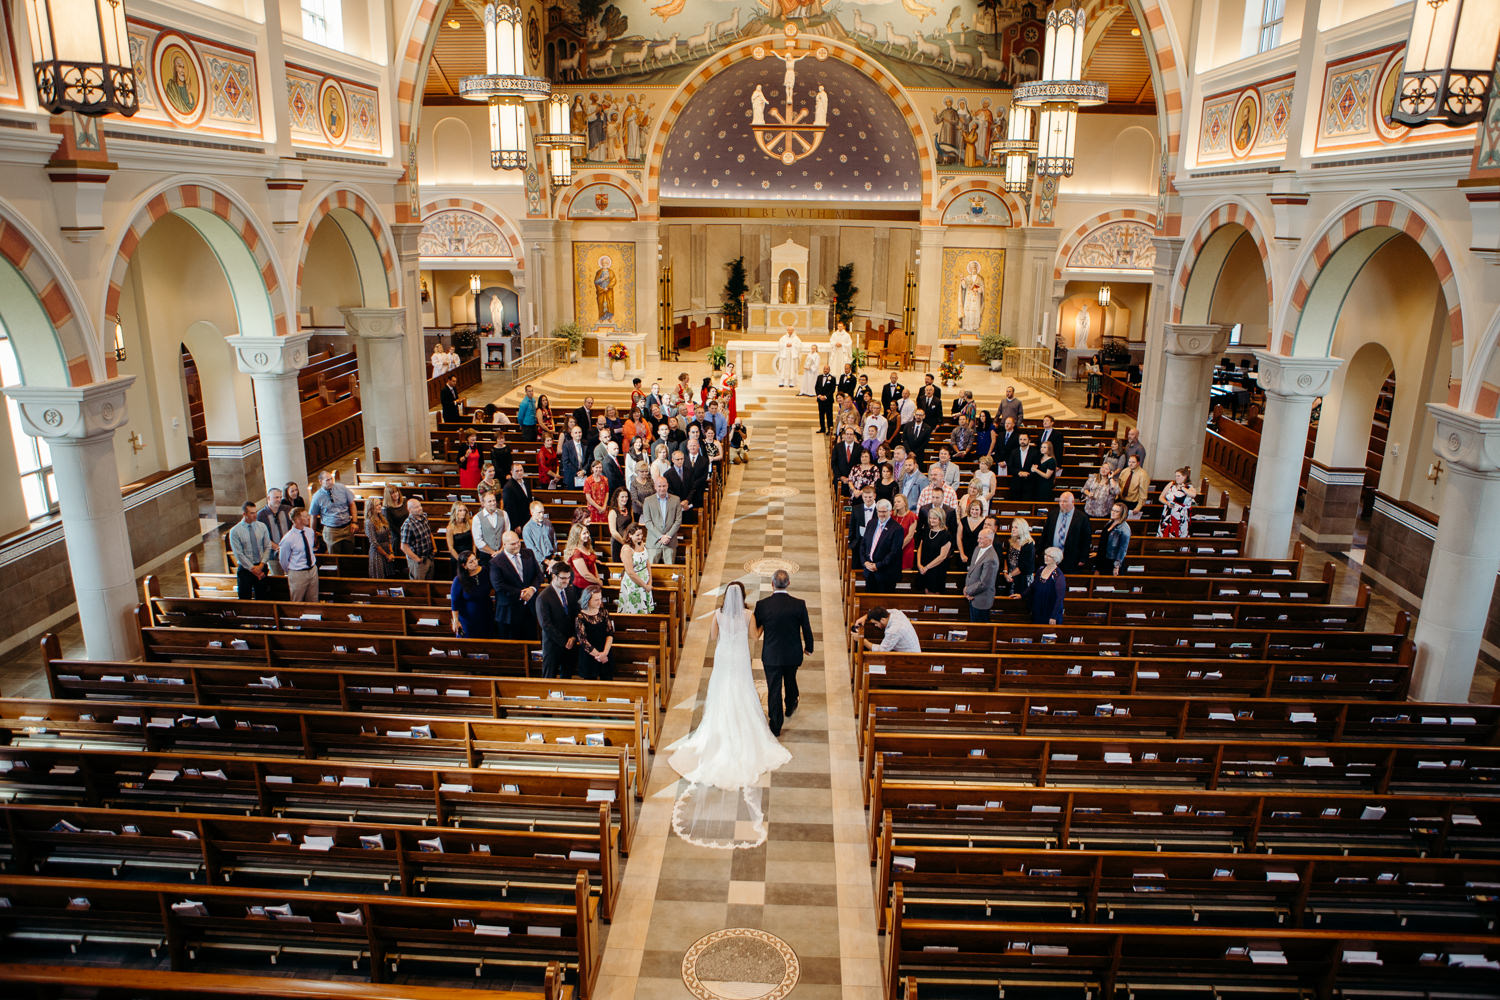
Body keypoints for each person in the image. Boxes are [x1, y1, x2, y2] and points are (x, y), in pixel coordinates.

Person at [666, 581, 791, 789]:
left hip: (724, 656)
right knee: (742, 687)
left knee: (721, 688)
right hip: (740, 657)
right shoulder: (748, 615)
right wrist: (762, 626)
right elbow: (755, 636)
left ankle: (720, 725)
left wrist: (726, 631)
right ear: (742, 596)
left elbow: (714, 637)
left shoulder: (718, 614)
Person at [753, 569, 815, 738]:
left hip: (771, 655)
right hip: (792, 653)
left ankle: (775, 725)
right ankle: (790, 703)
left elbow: (756, 629)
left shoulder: (763, 605)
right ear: (788, 583)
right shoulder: (799, 604)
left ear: (772, 584)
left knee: (774, 689)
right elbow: (806, 629)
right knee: (790, 679)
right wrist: (809, 647)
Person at [537, 562, 576, 678]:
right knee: (550, 677)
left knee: (567, 677)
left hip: (570, 642)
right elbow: (546, 624)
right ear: (554, 576)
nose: (566, 581)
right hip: (553, 644)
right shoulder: (543, 597)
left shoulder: (570, 591)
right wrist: (564, 641)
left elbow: (575, 614)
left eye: (568, 578)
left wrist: (573, 636)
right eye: (563, 578)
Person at [228, 501, 273, 600]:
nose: (255, 515)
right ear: (244, 514)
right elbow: (238, 554)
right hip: (246, 569)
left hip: (261, 566)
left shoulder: (262, 526)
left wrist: (261, 565)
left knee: (263, 597)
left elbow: (267, 546)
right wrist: (253, 569)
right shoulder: (235, 531)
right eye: (252, 513)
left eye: (255, 512)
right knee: (245, 598)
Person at [1042, 491, 1092, 573]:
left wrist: (1083, 558)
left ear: (1072, 502)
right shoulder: (1052, 514)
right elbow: (1045, 534)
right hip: (1052, 557)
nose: (1061, 504)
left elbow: (1086, 540)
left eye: (1065, 501)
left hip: (1071, 558)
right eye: (1060, 501)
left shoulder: (1082, 518)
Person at [308, 470, 356, 554]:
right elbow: (313, 516)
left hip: (347, 528)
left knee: (349, 555)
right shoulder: (317, 496)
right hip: (331, 531)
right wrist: (313, 534)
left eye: (331, 479)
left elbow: (352, 504)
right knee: (335, 557)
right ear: (320, 481)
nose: (330, 482)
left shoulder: (341, 488)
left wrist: (355, 522)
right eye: (327, 480)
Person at [861, 499, 904, 593]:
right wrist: (865, 562)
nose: (881, 514)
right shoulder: (871, 523)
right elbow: (863, 544)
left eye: (884, 511)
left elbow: (894, 553)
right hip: (870, 572)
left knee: (884, 605)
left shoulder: (897, 529)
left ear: (890, 512)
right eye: (879, 511)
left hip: (886, 574)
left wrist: (878, 565)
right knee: (870, 602)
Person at [574, 586, 615, 680]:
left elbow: (610, 633)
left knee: (608, 683)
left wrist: (605, 653)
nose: (600, 602)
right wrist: (599, 656)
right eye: (596, 600)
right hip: (589, 656)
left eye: (600, 599)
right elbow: (583, 640)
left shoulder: (604, 612)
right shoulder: (580, 617)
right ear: (588, 600)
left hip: (605, 651)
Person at [449, 552, 494, 638]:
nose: (475, 563)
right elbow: (455, 602)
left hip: (486, 614)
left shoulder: (485, 571)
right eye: (471, 562)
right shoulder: (459, 580)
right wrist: (456, 620)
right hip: (468, 618)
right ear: (464, 566)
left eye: (475, 560)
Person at [278, 507, 319, 602]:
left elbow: (310, 549)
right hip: (298, 573)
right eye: (306, 516)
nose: (309, 518)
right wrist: (292, 572)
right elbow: (283, 560)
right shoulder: (288, 539)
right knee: (297, 600)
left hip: (312, 570)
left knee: (313, 600)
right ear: (297, 520)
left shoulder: (310, 532)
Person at [640, 476, 682, 565]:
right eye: (659, 486)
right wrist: (660, 536)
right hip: (653, 542)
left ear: (667, 486)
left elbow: (678, 521)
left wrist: (668, 536)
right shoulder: (648, 501)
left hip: (670, 542)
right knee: (651, 571)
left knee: (669, 573)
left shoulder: (676, 500)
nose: (662, 489)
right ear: (655, 487)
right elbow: (647, 522)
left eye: (664, 486)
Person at [963, 526, 1000, 622]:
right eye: (978, 537)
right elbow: (971, 570)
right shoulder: (977, 549)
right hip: (972, 595)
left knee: (979, 630)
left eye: (981, 538)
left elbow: (984, 583)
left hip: (981, 600)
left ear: (990, 540)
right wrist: (967, 588)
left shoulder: (991, 558)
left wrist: (968, 591)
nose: (978, 540)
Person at [915, 506, 953, 594]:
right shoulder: (927, 530)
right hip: (923, 566)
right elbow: (920, 548)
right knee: (924, 592)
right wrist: (919, 564)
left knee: (933, 595)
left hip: (936, 569)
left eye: (934, 518)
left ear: (941, 519)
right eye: (930, 518)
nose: (932, 520)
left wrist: (927, 567)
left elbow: (942, 556)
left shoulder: (946, 535)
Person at [617, 524, 654, 613]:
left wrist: (650, 581)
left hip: (645, 581)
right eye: (637, 535)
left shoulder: (641, 544)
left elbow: (647, 563)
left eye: (641, 534)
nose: (640, 537)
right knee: (634, 609)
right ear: (630, 535)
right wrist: (645, 586)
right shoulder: (627, 549)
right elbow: (630, 572)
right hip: (634, 584)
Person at [256, 488, 293, 576]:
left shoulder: (287, 510)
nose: (279, 500)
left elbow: (293, 528)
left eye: (280, 497)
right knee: (278, 578)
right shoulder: (261, 515)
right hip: (273, 555)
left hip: (290, 551)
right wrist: (277, 548)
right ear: (268, 498)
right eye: (276, 497)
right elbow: (262, 537)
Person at [1027, 546, 1066, 625]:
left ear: (1056, 559)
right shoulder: (1041, 569)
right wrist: (1021, 595)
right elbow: (1033, 586)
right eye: (1045, 555)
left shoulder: (1058, 575)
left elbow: (1060, 598)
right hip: (1038, 607)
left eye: (1049, 556)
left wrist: (1053, 616)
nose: (1046, 557)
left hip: (1049, 610)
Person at [853, 606, 920, 652]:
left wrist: (862, 640)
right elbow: (883, 611)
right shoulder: (895, 612)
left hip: (911, 659)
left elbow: (881, 651)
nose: (875, 626)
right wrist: (865, 617)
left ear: (882, 620)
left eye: (876, 623)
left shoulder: (893, 630)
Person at [400, 498, 435, 580]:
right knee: (420, 585)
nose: (420, 508)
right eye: (416, 507)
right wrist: (417, 559)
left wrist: (434, 548)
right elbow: (404, 547)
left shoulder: (424, 517)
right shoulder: (407, 525)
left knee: (430, 582)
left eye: (420, 506)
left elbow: (429, 533)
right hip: (419, 561)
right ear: (409, 510)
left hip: (429, 556)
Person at [1159, 466, 1198, 538]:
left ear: (1185, 476)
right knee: (1166, 534)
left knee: (1179, 534)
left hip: (1181, 516)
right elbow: (1161, 497)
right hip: (1168, 514)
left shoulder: (1189, 487)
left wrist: (1182, 488)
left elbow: (1193, 495)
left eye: (1179, 476)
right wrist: (1167, 503)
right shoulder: (1171, 484)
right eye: (1176, 476)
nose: (1176, 478)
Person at [1001, 517, 1036, 597]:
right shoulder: (1010, 541)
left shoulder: (1028, 545)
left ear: (1022, 529)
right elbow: (1006, 558)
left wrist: (1010, 575)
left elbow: (1023, 567)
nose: (1013, 529)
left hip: (1022, 579)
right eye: (1012, 527)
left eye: (1016, 527)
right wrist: (1005, 572)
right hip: (1010, 576)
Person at [1096, 501, 1132, 576]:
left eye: (1116, 511)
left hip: (1112, 561)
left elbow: (1122, 549)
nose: (1113, 512)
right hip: (1103, 558)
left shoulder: (1125, 529)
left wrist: (1116, 566)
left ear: (1122, 514)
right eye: (1112, 510)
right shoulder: (1110, 522)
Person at [472, 490, 508, 564]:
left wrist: (501, 551)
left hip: (502, 553)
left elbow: (507, 533)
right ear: (483, 503)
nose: (493, 503)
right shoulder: (477, 518)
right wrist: (493, 552)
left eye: (494, 500)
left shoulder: (504, 514)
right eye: (489, 501)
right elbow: (478, 541)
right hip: (486, 555)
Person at [365, 497, 396, 579]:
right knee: (380, 577)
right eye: (376, 505)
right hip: (377, 553)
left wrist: (391, 552)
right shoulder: (369, 522)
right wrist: (386, 555)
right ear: (371, 508)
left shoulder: (382, 518)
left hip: (387, 551)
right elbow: (374, 542)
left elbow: (389, 537)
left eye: (379, 504)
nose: (379, 506)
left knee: (389, 577)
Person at [1118, 453, 1150, 520]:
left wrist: (1138, 507)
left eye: (1133, 462)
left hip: (1133, 503)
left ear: (1138, 463)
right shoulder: (1125, 471)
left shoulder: (1143, 475)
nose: (1130, 464)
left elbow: (1143, 494)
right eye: (1129, 462)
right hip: (1122, 500)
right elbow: (1119, 485)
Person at [606, 487, 635, 561]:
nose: (625, 499)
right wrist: (623, 542)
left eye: (626, 497)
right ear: (617, 498)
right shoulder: (613, 512)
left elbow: (632, 525)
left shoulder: (629, 509)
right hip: (618, 541)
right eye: (622, 497)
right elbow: (613, 531)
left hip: (628, 540)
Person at [1007, 433, 1038, 500]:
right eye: (1020, 439)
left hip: (1029, 484)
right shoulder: (1014, 452)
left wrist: (1027, 474)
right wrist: (1019, 472)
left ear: (1029, 440)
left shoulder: (1035, 452)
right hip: (1016, 484)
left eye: (1024, 439)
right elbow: (1010, 467)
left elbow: (1037, 467)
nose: (1022, 441)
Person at [814, 365, 836, 433]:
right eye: (824, 369)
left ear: (829, 370)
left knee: (829, 415)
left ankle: (830, 429)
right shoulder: (819, 377)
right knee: (821, 415)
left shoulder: (832, 378)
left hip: (828, 400)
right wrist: (819, 395)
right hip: (820, 400)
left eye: (827, 369)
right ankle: (822, 428)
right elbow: (816, 387)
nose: (825, 370)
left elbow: (832, 389)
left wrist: (826, 396)